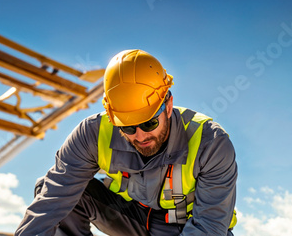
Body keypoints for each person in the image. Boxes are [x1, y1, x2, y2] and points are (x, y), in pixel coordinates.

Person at [15, 49, 237, 236]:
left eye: (149, 123)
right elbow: (53, 198)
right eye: (128, 127)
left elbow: (208, 226)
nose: (140, 136)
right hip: (134, 220)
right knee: (49, 188)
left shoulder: (211, 143)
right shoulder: (92, 134)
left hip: (184, 227)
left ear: (168, 106)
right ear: (112, 117)